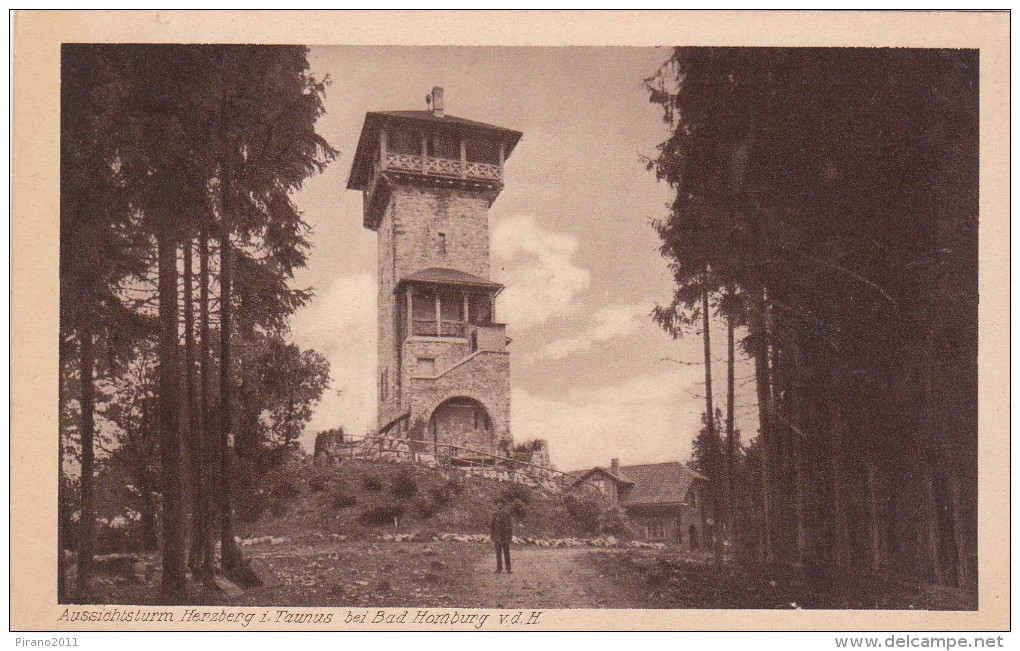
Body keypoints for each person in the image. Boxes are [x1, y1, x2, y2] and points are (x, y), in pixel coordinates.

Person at [490, 501, 513, 574]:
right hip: (497, 537)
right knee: (498, 553)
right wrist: (492, 536)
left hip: (505, 537)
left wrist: (509, 536)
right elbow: (492, 526)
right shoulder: (494, 514)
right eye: (498, 504)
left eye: (501, 504)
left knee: (506, 553)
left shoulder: (507, 514)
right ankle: (499, 568)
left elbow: (510, 526)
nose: (499, 505)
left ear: (503, 505)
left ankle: (508, 569)